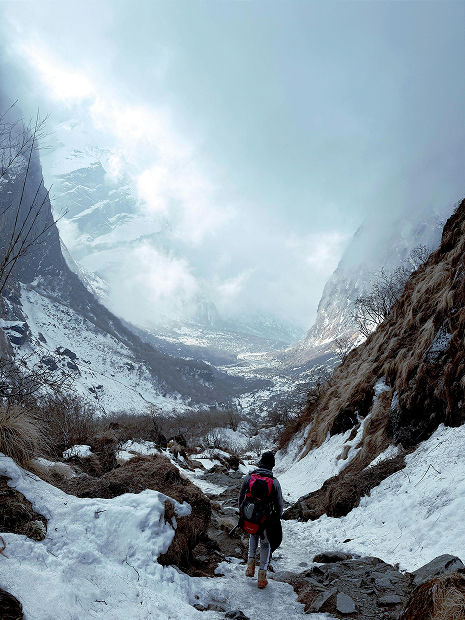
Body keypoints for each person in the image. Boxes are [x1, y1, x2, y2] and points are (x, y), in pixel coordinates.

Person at [238, 451, 284, 589]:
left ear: (260, 463)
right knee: (265, 544)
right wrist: (276, 518)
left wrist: (242, 512)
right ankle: (262, 577)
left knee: (253, 535)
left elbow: (241, 495)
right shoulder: (274, 482)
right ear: (272, 466)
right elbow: (279, 504)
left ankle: (250, 566)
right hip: (266, 519)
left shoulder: (249, 477)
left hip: (251, 516)